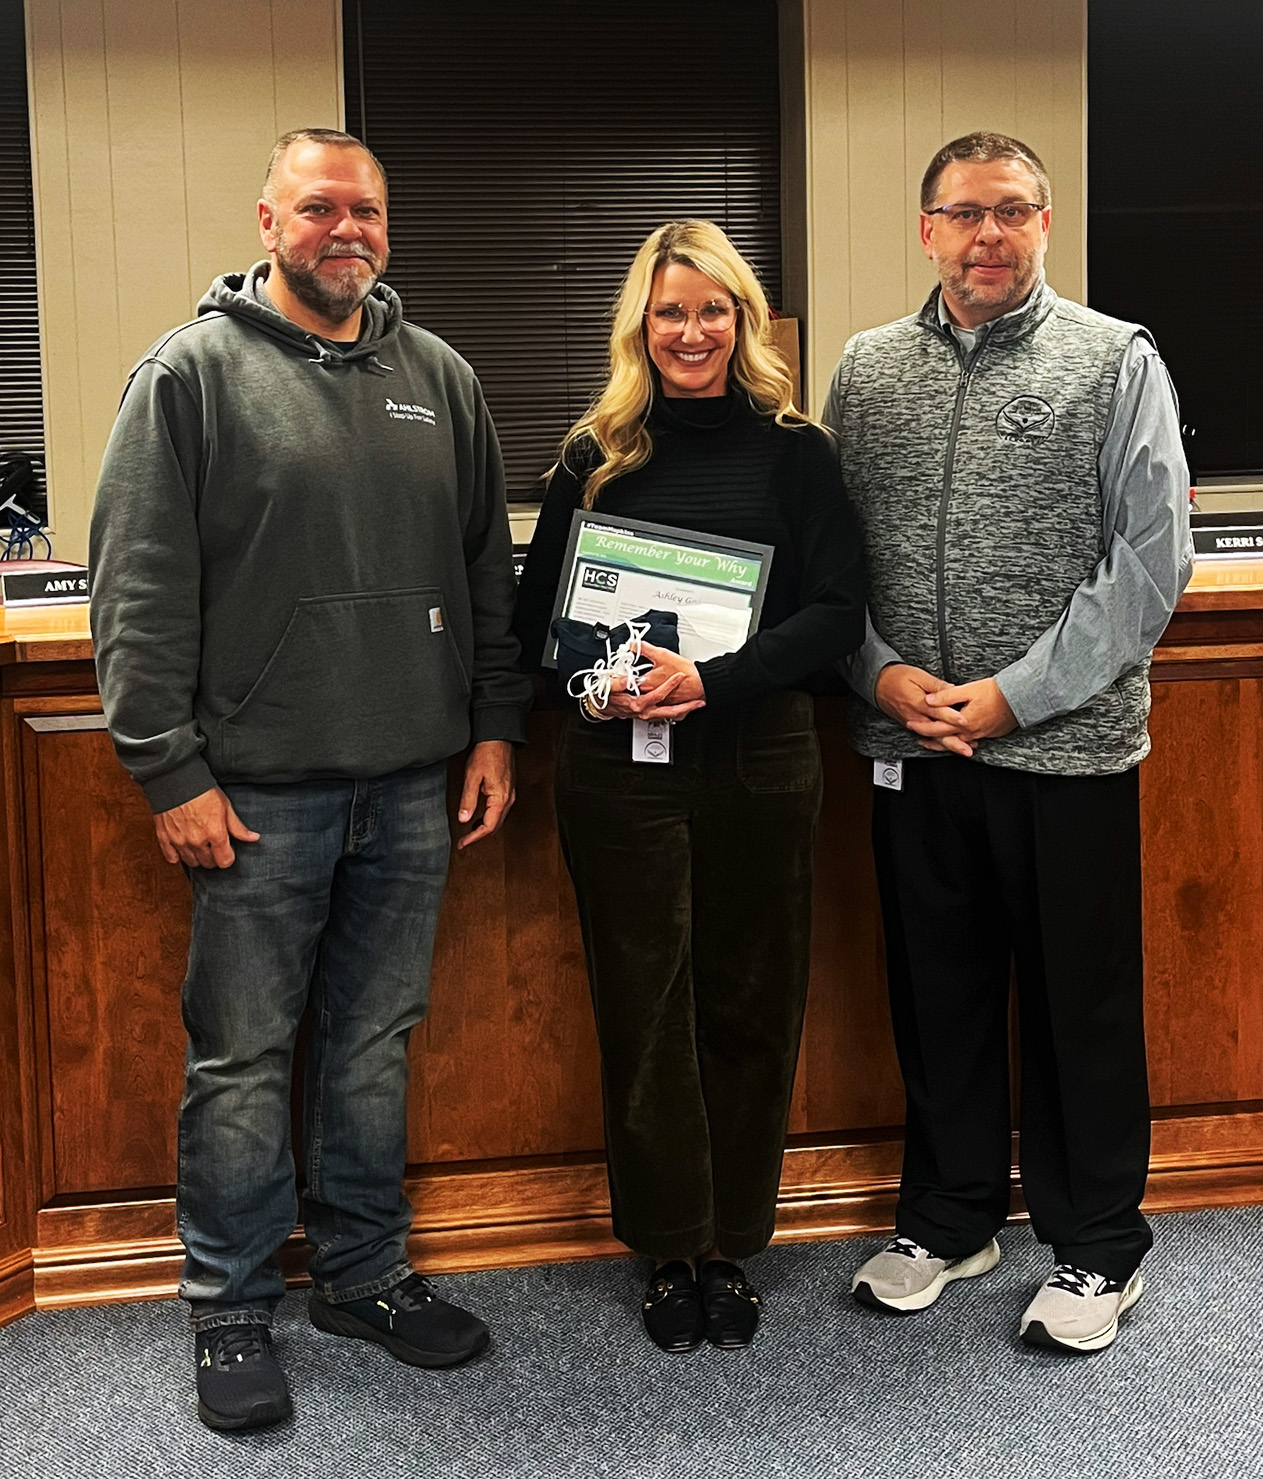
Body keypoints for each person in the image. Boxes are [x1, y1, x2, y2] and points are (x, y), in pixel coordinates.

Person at [90, 128, 530, 1429]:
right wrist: (166, 767)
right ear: (269, 219)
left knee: (368, 1048)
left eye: (368, 211)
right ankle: (228, 1305)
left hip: (411, 788)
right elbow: (141, 587)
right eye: (321, 206)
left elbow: (482, 576)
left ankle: (361, 1274)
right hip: (256, 796)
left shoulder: (436, 377)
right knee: (240, 1057)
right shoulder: (190, 376)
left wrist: (493, 723)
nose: (349, 229)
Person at [823, 132, 1192, 1353]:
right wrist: (881, 672)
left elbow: (1150, 566)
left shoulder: (1113, 359)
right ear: (925, 229)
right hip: (910, 746)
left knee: (1079, 1004)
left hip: (1065, 752)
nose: (989, 234)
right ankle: (952, 1213)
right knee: (940, 997)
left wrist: (1015, 696)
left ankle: (1097, 1248)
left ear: (1046, 224)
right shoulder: (867, 371)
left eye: (1013, 212)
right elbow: (833, 563)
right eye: (965, 213)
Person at [514, 219, 866, 1352]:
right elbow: (538, 629)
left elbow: (834, 613)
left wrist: (712, 679)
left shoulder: (796, 450)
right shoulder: (595, 454)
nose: (692, 331)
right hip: (621, 776)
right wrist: (601, 683)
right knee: (646, 1006)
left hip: (760, 761)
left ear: (745, 322)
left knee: (752, 1001)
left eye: (713, 310)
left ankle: (733, 1243)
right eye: (671, 311)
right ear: (641, 325)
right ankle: (670, 1249)